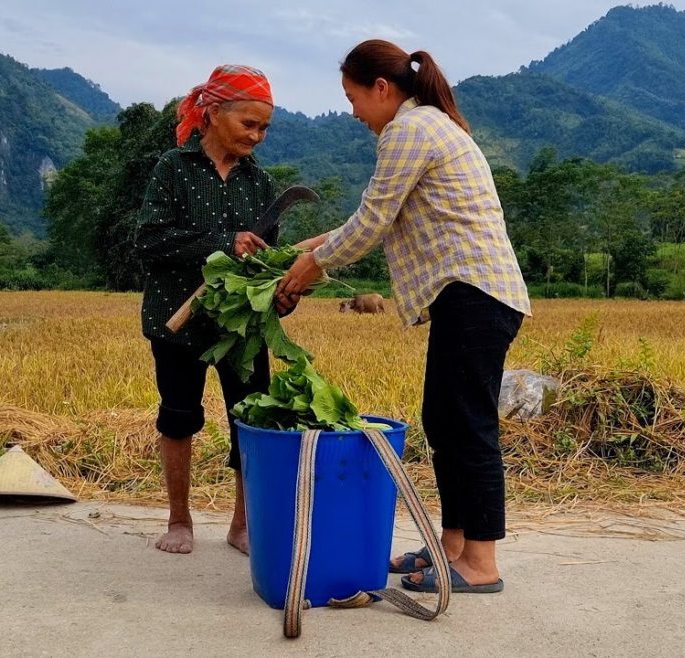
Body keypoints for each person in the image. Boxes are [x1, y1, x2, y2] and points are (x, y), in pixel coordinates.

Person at [276, 40, 532, 594]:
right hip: (469, 296)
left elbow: (370, 222)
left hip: (475, 294)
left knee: (467, 426)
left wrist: (308, 268)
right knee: (444, 421)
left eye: (352, 98)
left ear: (382, 89)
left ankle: (480, 565)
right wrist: (298, 254)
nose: (352, 112)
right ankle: (453, 547)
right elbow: (373, 218)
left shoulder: (409, 131)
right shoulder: (428, 126)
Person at [135, 64, 280, 555]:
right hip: (176, 322)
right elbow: (150, 241)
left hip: (241, 326)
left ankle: (242, 525)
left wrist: (282, 289)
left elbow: (266, 260)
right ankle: (179, 521)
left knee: (252, 420)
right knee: (178, 416)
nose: (257, 136)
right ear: (215, 113)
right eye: (249, 124)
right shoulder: (173, 169)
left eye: (264, 128)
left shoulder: (260, 183)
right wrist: (223, 243)